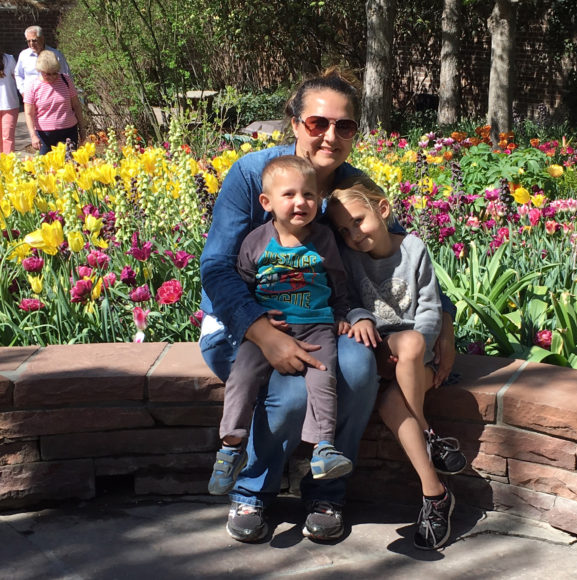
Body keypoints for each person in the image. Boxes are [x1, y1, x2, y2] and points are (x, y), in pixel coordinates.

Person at [199, 68, 458, 545]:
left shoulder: (349, 187)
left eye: (345, 126)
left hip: (325, 321)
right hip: (244, 325)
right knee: (292, 393)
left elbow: (395, 251)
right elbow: (216, 268)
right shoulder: (253, 175)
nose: (331, 136)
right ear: (295, 124)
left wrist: (444, 320)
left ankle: (327, 491)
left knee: (359, 369)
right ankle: (253, 488)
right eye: (318, 123)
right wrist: (262, 332)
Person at [327, 174, 468, 550]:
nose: (354, 235)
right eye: (344, 230)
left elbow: (430, 307)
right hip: (378, 345)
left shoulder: (414, 249)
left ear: (383, 209)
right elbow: (350, 300)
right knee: (402, 344)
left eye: (358, 221)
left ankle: (434, 494)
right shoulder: (351, 258)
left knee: (393, 405)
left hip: (412, 350)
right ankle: (430, 435)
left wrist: (421, 343)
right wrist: (361, 318)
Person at [210, 155, 354, 497]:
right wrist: (255, 320)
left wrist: (342, 314)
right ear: (267, 202)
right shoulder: (256, 241)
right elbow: (243, 282)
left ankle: (323, 449)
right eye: (288, 195)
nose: (300, 202)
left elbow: (338, 280)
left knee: (323, 378)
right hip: (269, 329)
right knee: (242, 375)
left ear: (318, 200)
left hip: (317, 325)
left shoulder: (322, 240)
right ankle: (231, 447)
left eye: (308, 195)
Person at [23, 51, 85, 155]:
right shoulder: (33, 86)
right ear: (40, 70)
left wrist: (82, 127)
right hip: (45, 135)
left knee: (69, 166)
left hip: (69, 131)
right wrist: (33, 136)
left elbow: (76, 105)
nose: (52, 77)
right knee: (48, 168)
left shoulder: (66, 80)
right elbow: (29, 113)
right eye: (48, 74)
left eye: (55, 73)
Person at [14, 26, 70, 95]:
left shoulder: (56, 55)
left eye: (34, 40)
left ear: (42, 39)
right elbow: (18, 74)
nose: (31, 44)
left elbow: (66, 76)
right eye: (28, 41)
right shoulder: (24, 55)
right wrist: (23, 91)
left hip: (52, 96)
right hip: (31, 97)